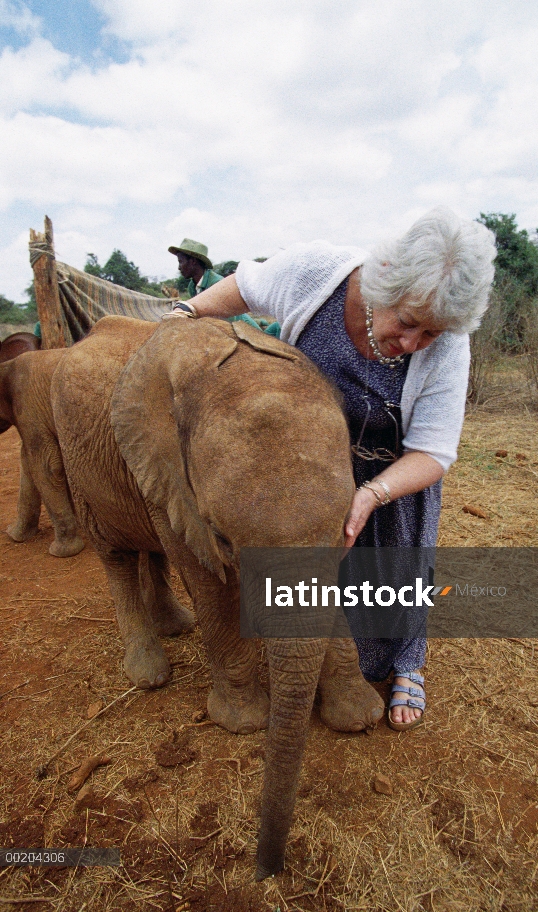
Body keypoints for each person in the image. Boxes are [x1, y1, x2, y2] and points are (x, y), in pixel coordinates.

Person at [163, 207, 496, 731]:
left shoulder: (449, 344)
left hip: (392, 481)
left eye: (430, 334)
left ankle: (409, 662)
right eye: (407, 322)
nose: (412, 344)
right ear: (386, 278)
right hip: (304, 470)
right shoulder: (318, 273)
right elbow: (243, 287)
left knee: (386, 615)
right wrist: (185, 314)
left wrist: (371, 495)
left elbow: (434, 452)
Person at [168, 238, 224, 307]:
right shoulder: (192, 286)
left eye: (181, 262)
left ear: (193, 261)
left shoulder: (217, 284)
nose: (179, 268)